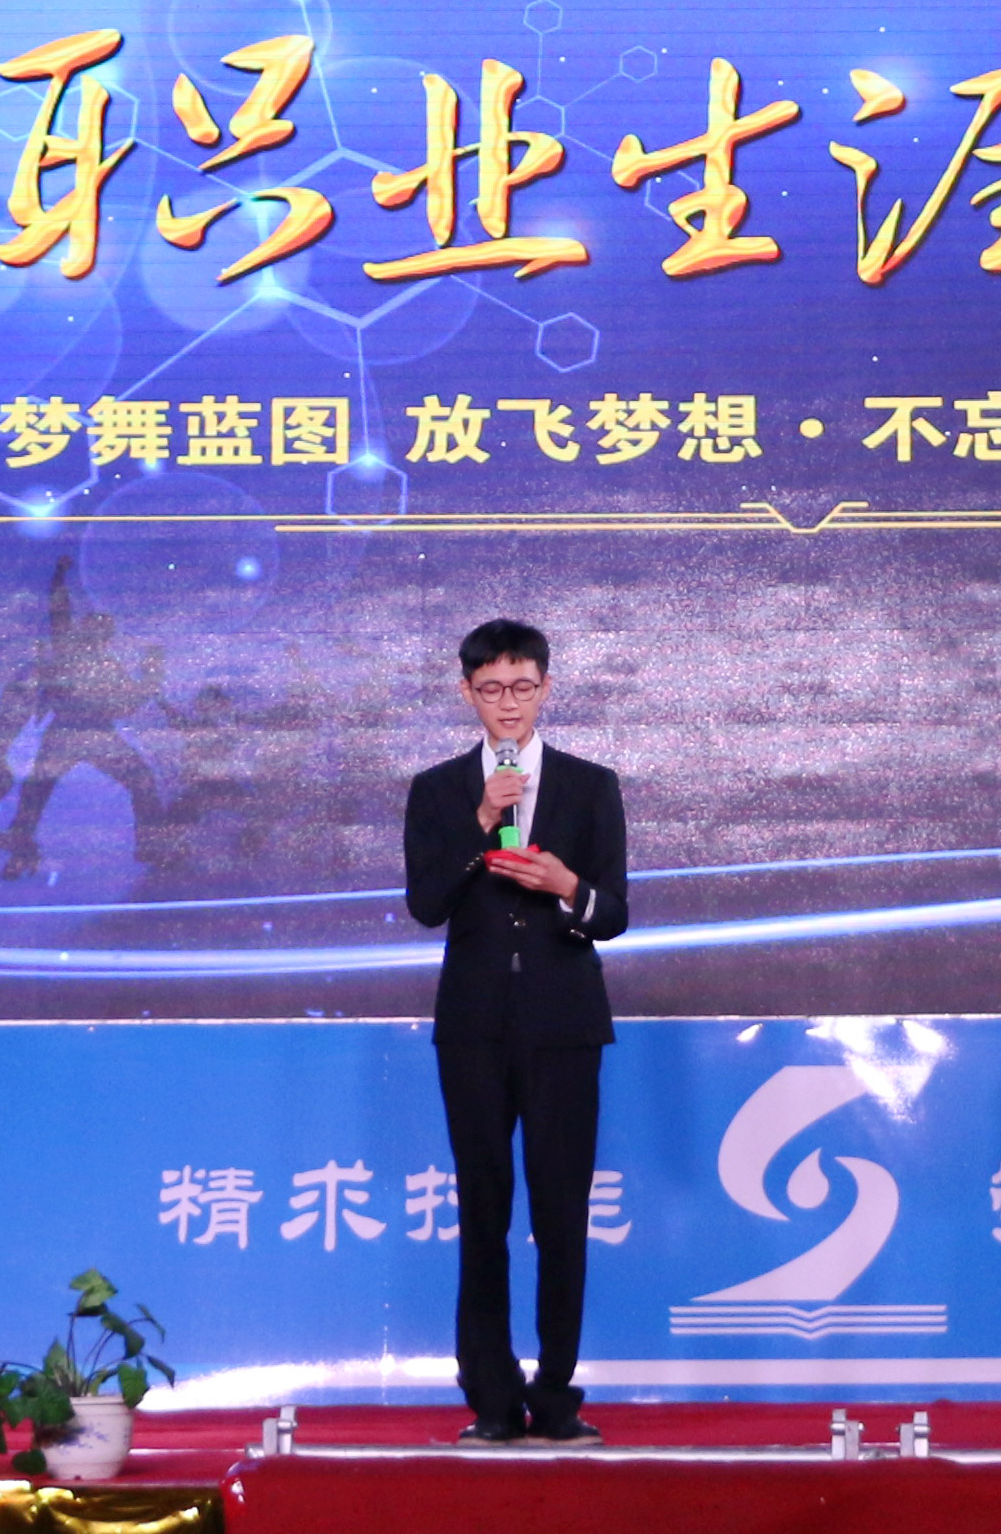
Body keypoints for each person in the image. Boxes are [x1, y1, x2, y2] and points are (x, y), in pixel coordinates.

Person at [404, 619, 629, 1445]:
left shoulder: (590, 784)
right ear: (466, 691)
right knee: (483, 1208)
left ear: (546, 688)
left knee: (562, 1212)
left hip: (564, 1025)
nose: (508, 703)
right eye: (492, 688)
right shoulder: (437, 789)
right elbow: (426, 903)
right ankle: (492, 1398)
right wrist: (480, 820)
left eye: (523, 687)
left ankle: (556, 1393)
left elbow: (615, 911)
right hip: (473, 1027)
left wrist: (569, 885)